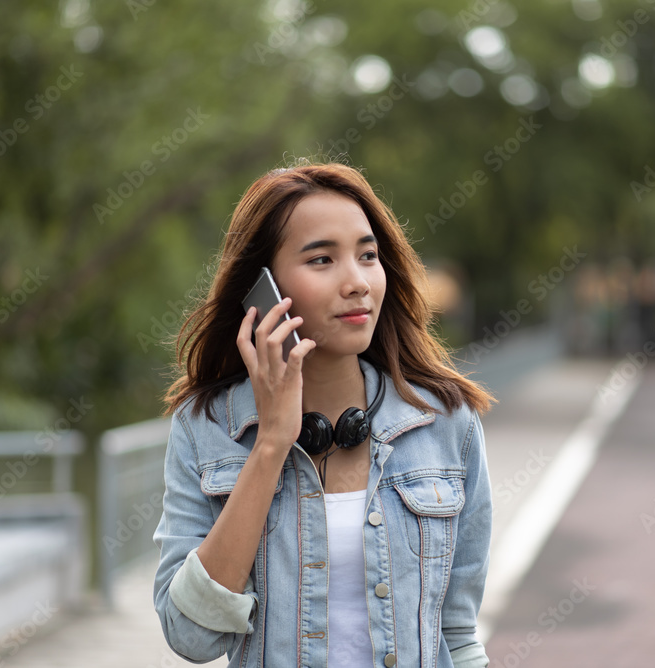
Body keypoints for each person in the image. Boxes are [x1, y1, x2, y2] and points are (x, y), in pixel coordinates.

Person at [153, 160, 497, 668]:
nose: (357, 281)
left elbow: (458, 634)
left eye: (368, 255)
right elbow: (192, 636)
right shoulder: (206, 429)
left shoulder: (446, 423)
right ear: (261, 289)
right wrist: (271, 442)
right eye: (322, 260)